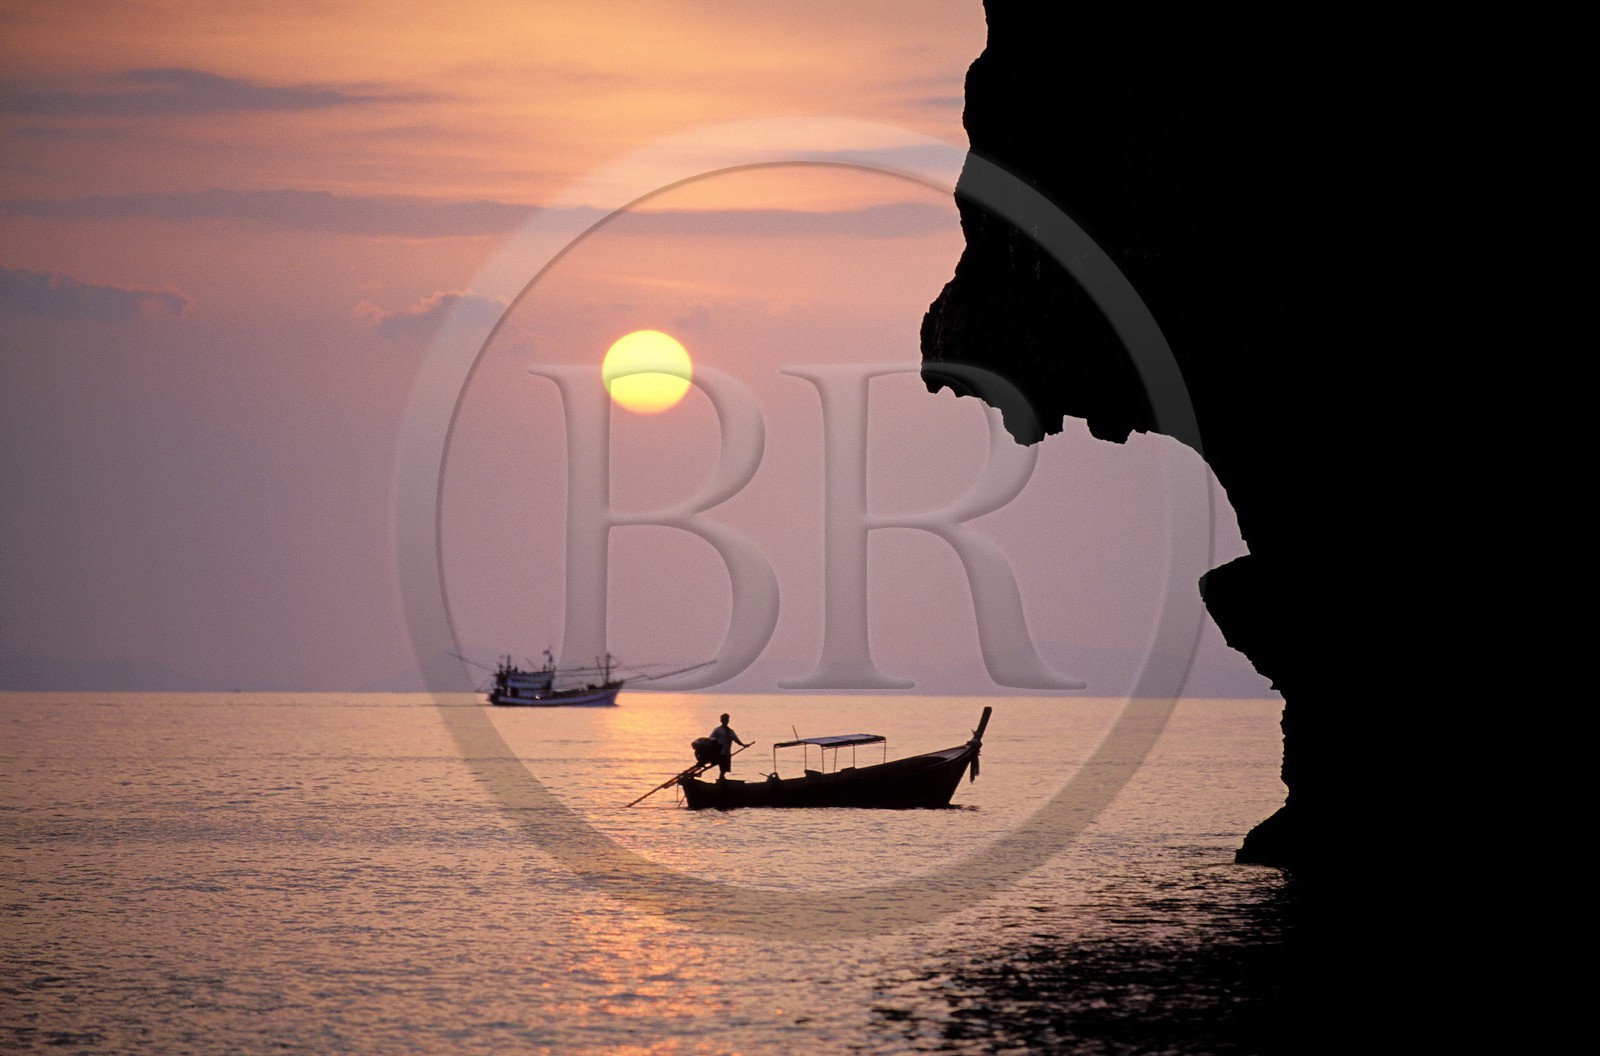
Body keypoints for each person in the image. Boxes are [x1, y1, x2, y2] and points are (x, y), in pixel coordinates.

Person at [708, 713, 749, 779]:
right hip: (720, 753)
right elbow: (710, 739)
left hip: (727, 753)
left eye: (727, 720)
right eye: (724, 720)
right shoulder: (717, 730)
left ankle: (722, 780)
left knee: (725, 769)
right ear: (721, 721)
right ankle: (721, 780)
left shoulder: (730, 731)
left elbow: (736, 740)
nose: (725, 721)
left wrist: (743, 745)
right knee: (722, 769)